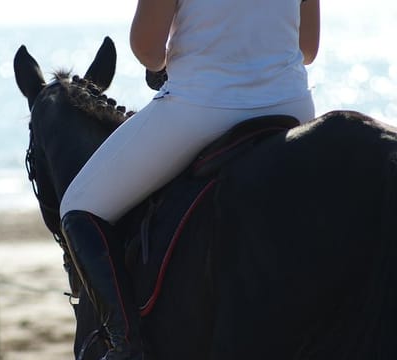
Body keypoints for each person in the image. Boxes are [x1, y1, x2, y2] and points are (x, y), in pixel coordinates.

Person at [60, 0, 321, 358]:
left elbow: (148, 49)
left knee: (78, 207)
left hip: (200, 110)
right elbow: (308, 49)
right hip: (293, 107)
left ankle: (125, 346)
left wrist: (169, 59)